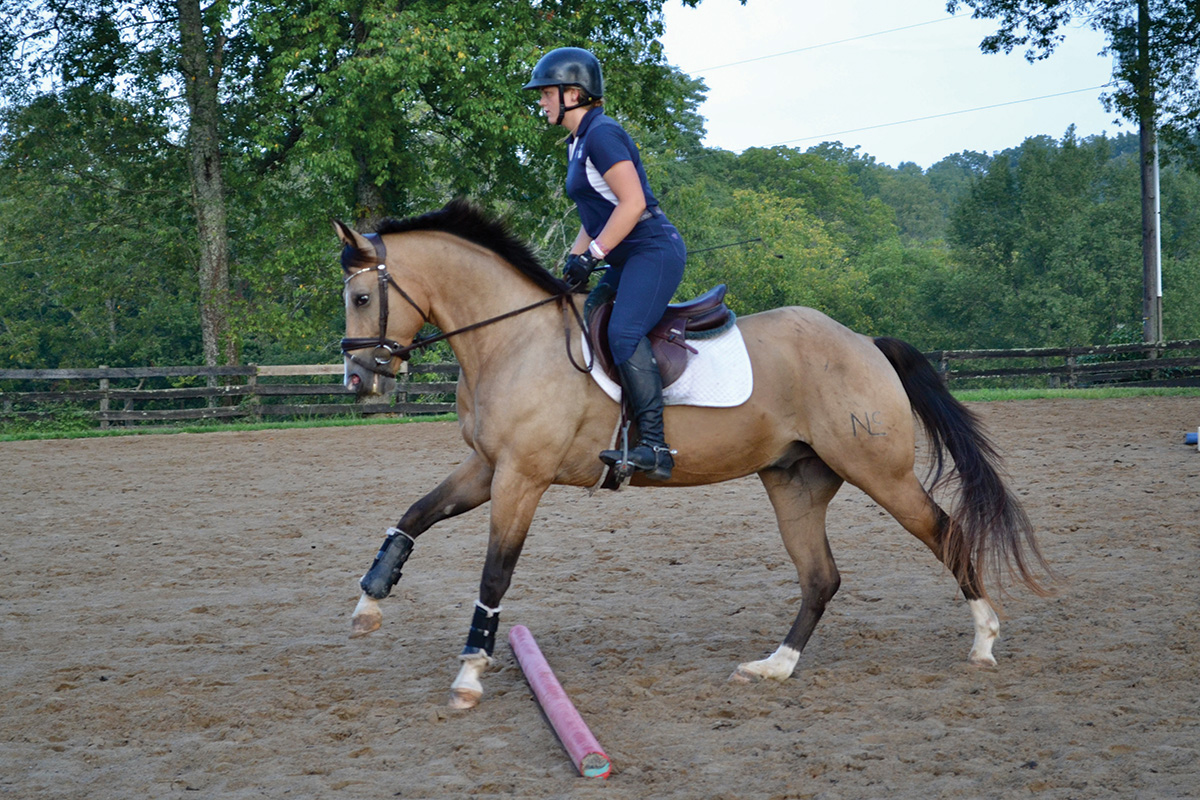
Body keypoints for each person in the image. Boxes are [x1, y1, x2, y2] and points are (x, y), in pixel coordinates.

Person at [523, 46, 687, 481]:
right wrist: (575, 259)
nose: (541, 101)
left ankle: (654, 446)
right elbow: (594, 215)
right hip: (624, 253)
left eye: (546, 93)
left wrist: (594, 255)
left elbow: (631, 203)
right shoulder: (577, 142)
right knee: (587, 316)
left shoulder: (602, 134)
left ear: (572, 93)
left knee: (623, 330)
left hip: (652, 249)